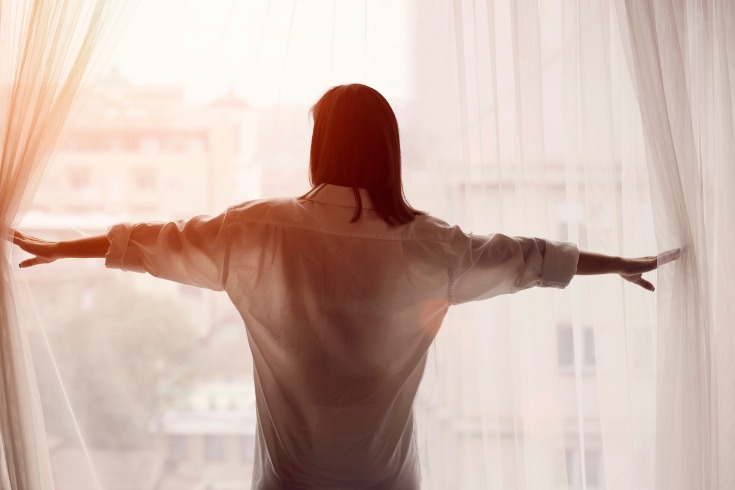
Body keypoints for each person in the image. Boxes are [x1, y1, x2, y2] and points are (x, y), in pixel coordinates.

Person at [10, 84, 680, 489]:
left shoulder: (260, 231)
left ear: (321, 146)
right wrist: (619, 261)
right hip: (387, 481)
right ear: (385, 148)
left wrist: (60, 245)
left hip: (290, 481)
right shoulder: (430, 245)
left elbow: (155, 240)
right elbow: (533, 260)